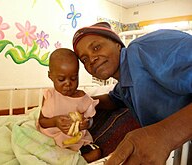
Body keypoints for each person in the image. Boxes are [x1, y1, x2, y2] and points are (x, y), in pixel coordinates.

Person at [72, 22, 192, 165]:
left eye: (96, 47)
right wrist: (79, 102)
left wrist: (164, 134)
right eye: (84, 59)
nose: (91, 59)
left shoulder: (145, 48)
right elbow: (112, 100)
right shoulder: (124, 86)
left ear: (117, 44)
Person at [37, 48, 101, 163]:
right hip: (51, 140)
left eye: (73, 78)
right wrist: (55, 122)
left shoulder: (83, 99)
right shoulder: (49, 95)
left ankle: (72, 160)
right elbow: (42, 121)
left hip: (76, 141)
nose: (68, 84)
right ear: (50, 76)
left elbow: (90, 120)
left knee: (96, 153)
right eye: (61, 79)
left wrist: (86, 124)